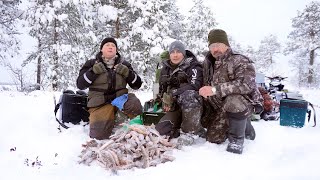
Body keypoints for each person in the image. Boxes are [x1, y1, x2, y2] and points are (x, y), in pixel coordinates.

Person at [199, 29, 263, 154]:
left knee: (233, 99)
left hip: (241, 103)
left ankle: (238, 138)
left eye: (218, 45)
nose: (215, 49)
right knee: (213, 138)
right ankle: (237, 124)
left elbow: (246, 85)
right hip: (220, 105)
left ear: (226, 44)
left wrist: (213, 90)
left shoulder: (240, 60)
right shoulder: (208, 63)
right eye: (212, 46)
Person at [77, 37, 143, 140]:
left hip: (121, 99)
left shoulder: (124, 65)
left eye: (113, 46)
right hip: (100, 103)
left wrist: (128, 73)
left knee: (135, 105)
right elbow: (80, 84)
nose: (110, 47)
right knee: (99, 136)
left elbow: (137, 84)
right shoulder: (91, 64)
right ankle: (113, 119)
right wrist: (93, 72)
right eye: (107, 45)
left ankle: (120, 118)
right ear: (101, 49)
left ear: (116, 50)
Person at [155, 40, 205, 140]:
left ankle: (191, 132)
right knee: (160, 131)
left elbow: (195, 86)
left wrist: (173, 94)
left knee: (189, 95)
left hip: (193, 105)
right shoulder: (165, 69)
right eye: (172, 52)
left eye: (178, 52)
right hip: (175, 107)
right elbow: (161, 90)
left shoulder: (193, 66)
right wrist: (164, 100)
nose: (175, 55)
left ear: (183, 53)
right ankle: (179, 127)